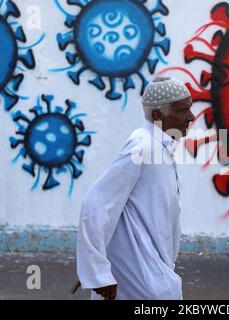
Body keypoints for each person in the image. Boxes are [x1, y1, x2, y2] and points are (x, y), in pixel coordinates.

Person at [75, 77, 195, 300]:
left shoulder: (161, 146)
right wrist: (96, 271)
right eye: (183, 110)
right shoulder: (143, 146)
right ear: (158, 116)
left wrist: (98, 261)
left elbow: (120, 208)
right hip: (145, 280)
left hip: (148, 273)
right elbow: (97, 203)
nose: (191, 117)